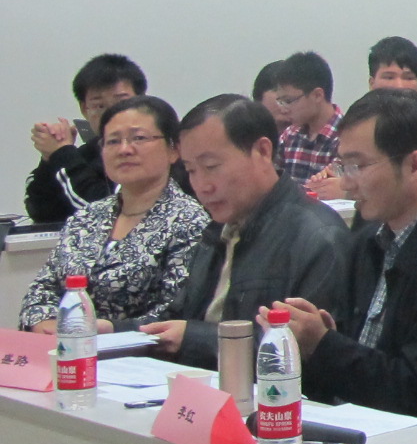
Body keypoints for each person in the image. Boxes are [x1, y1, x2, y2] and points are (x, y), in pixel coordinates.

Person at [262, 91, 417, 414]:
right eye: (343, 165)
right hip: (354, 423)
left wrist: (325, 345)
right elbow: (357, 360)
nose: (347, 183)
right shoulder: (369, 240)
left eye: (358, 165)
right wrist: (314, 340)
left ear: (414, 165)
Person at [134, 95, 352, 365]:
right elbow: (176, 318)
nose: (202, 186)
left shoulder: (318, 237)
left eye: (211, 167)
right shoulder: (217, 229)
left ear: (262, 151)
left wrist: (192, 339)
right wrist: (114, 330)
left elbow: (299, 352)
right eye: (191, 170)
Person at [17, 96, 207, 331]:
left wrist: (107, 329)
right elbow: (41, 290)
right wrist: (42, 323)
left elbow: (176, 311)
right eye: (113, 141)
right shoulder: (86, 218)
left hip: (139, 350)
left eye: (139, 138)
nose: (124, 149)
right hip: (65, 344)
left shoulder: (190, 221)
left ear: (173, 149)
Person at [24, 52, 146, 224]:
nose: (111, 114)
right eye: (99, 105)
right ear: (84, 109)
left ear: (142, 102)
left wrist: (63, 154)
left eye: (121, 103)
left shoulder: (154, 149)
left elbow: (107, 210)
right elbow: (40, 212)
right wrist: (50, 158)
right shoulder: (87, 154)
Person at [271, 50, 342, 186]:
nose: (284, 109)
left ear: (317, 95)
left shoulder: (346, 136)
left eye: (289, 101)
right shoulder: (289, 136)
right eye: (281, 101)